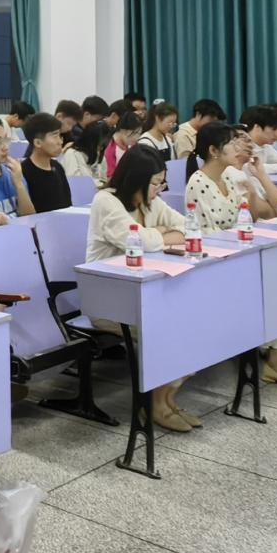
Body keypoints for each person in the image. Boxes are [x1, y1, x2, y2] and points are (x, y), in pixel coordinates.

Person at [185, 125, 277, 390]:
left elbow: (267, 214)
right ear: (214, 151)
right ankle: (275, 362)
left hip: (241, 255)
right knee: (275, 286)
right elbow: (208, 237)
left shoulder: (231, 176)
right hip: (216, 265)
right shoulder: (198, 182)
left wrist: (257, 180)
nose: (238, 147)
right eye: (231, 143)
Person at [86, 145, 193, 429]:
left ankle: (167, 399)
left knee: (193, 322)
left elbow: (188, 226)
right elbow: (140, 241)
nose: (160, 189)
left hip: (146, 293)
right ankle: (154, 405)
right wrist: (163, 234)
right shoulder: (106, 201)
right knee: (169, 330)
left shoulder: (150, 202)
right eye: (155, 183)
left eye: (162, 183)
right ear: (136, 180)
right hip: (108, 299)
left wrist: (158, 234)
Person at [20, 112, 72, 211]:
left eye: (60, 136)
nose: (60, 142)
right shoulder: (24, 171)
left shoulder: (57, 167)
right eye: (55, 136)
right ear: (38, 143)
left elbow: (67, 206)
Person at [103, 111, 144, 180]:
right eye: (134, 133)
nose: (137, 138)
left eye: (139, 133)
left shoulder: (132, 144)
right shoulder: (111, 149)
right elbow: (111, 178)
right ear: (123, 130)